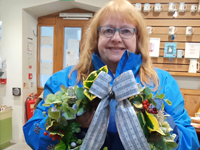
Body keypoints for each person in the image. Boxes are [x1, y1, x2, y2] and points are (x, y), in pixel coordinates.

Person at [23, 0, 200, 149]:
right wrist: (68, 122)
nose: (116, 38)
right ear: (96, 37)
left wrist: (157, 125)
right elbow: (33, 132)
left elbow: (190, 140)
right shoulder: (64, 80)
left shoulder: (162, 82)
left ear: (138, 39)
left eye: (126, 31)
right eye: (108, 30)